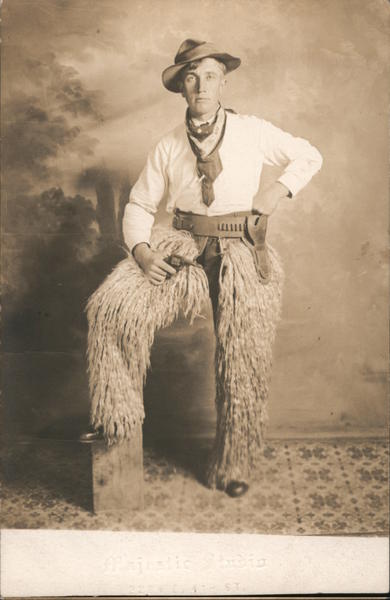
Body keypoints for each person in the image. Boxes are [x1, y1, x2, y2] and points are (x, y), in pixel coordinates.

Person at [85, 39, 323, 498]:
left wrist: (276, 193)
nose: (201, 85)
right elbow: (138, 204)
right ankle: (117, 423)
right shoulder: (169, 145)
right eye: (191, 77)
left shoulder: (252, 130)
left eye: (209, 75)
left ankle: (233, 463)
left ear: (223, 82)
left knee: (243, 358)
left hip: (241, 250)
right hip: (182, 247)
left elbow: (309, 155)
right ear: (181, 88)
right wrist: (142, 252)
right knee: (110, 310)